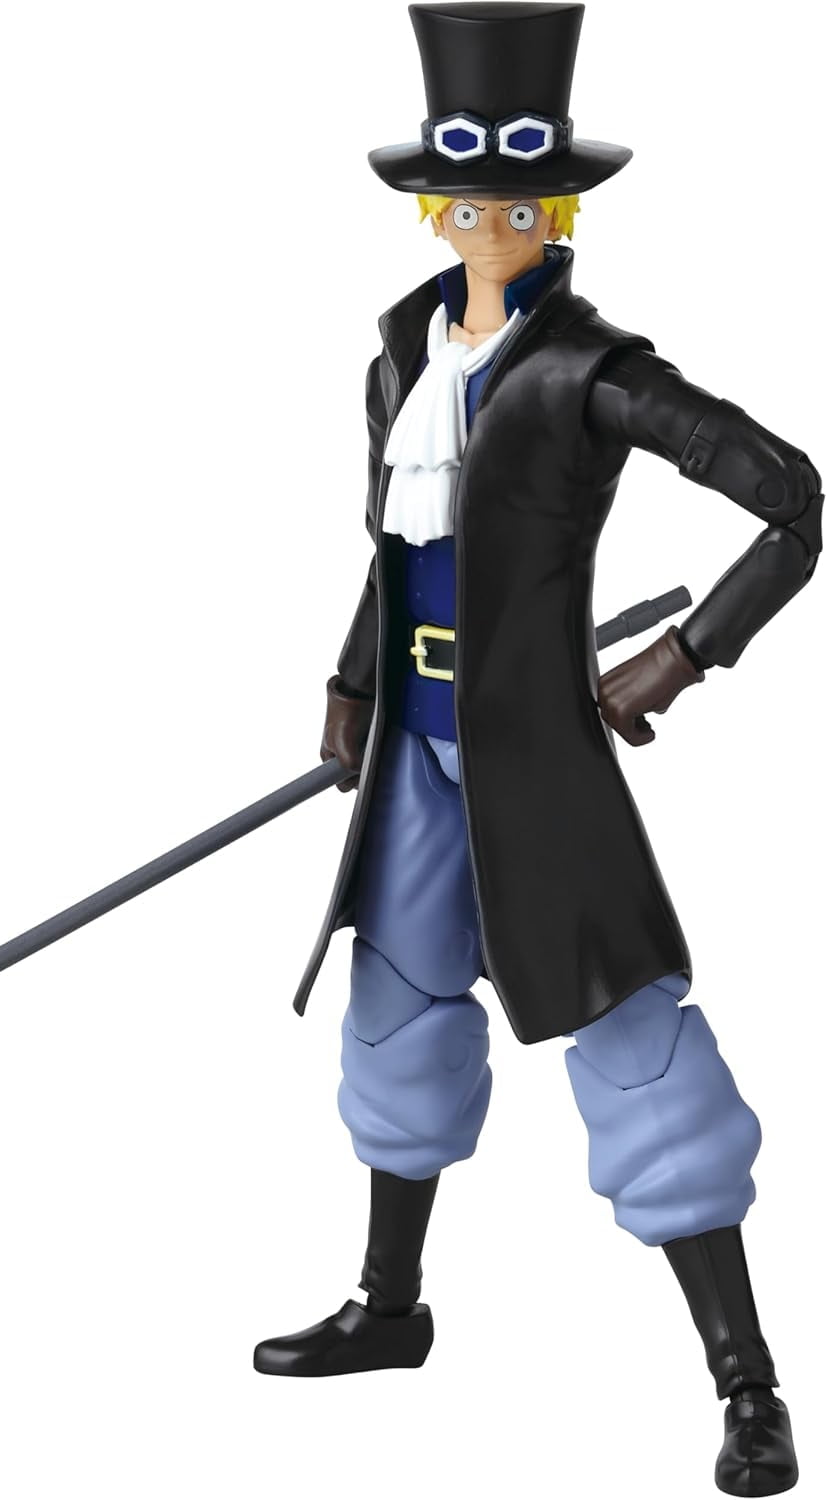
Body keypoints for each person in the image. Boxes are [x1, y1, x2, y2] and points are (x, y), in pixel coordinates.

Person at [252, 7, 821, 1498]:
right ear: (431, 207)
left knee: (633, 1042)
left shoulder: (594, 372)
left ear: (557, 210)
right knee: (394, 1012)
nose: (490, 226)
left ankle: (747, 1381)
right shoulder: (401, 353)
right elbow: (396, 550)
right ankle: (389, 1304)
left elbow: (797, 501)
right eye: (466, 203)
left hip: (538, 762)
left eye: (518, 204)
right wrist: (354, 680)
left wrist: (683, 656)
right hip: (414, 754)